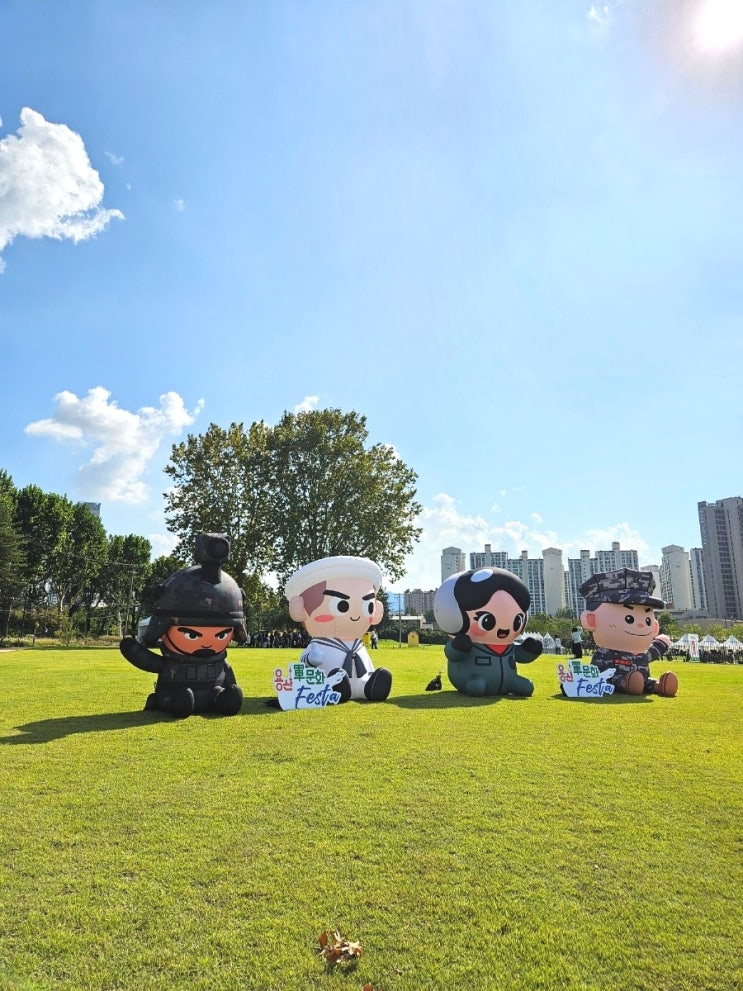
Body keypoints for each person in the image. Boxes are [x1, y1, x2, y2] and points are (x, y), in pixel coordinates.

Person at [120, 533, 246, 718]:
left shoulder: (220, 663)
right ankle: (178, 702)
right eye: (191, 635)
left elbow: (229, 679)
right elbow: (152, 663)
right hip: (174, 693)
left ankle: (221, 700)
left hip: (214, 690)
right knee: (181, 699)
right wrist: (133, 650)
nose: (206, 643)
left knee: (228, 695)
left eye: (221, 635)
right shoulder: (173, 662)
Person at [285, 555, 392, 702]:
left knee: (367, 677)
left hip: (360, 677)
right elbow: (304, 664)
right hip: (326, 678)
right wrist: (310, 659)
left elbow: (366, 663)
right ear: (299, 609)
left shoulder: (358, 645)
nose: (355, 616)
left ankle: (368, 687)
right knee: (335, 677)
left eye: (369, 606)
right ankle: (333, 687)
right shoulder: (319, 645)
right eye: (341, 606)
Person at [433, 567, 543, 697]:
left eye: (517, 621)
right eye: (486, 621)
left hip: (509, 681)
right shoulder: (469, 642)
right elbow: (453, 654)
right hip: (474, 677)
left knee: (527, 688)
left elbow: (519, 655)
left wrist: (530, 650)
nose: (503, 629)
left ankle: (509, 683)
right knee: (476, 686)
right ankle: (476, 682)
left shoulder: (508, 646)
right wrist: (459, 647)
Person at [579, 568, 678, 697]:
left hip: (642, 678)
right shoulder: (604, 653)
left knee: (646, 681)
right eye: (629, 619)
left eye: (648, 620)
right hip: (615, 681)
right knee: (621, 680)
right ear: (591, 620)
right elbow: (596, 673)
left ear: (655, 626)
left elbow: (650, 654)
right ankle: (627, 684)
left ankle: (660, 686)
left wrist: (661, 643)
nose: (641, 625)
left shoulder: (641, 655)